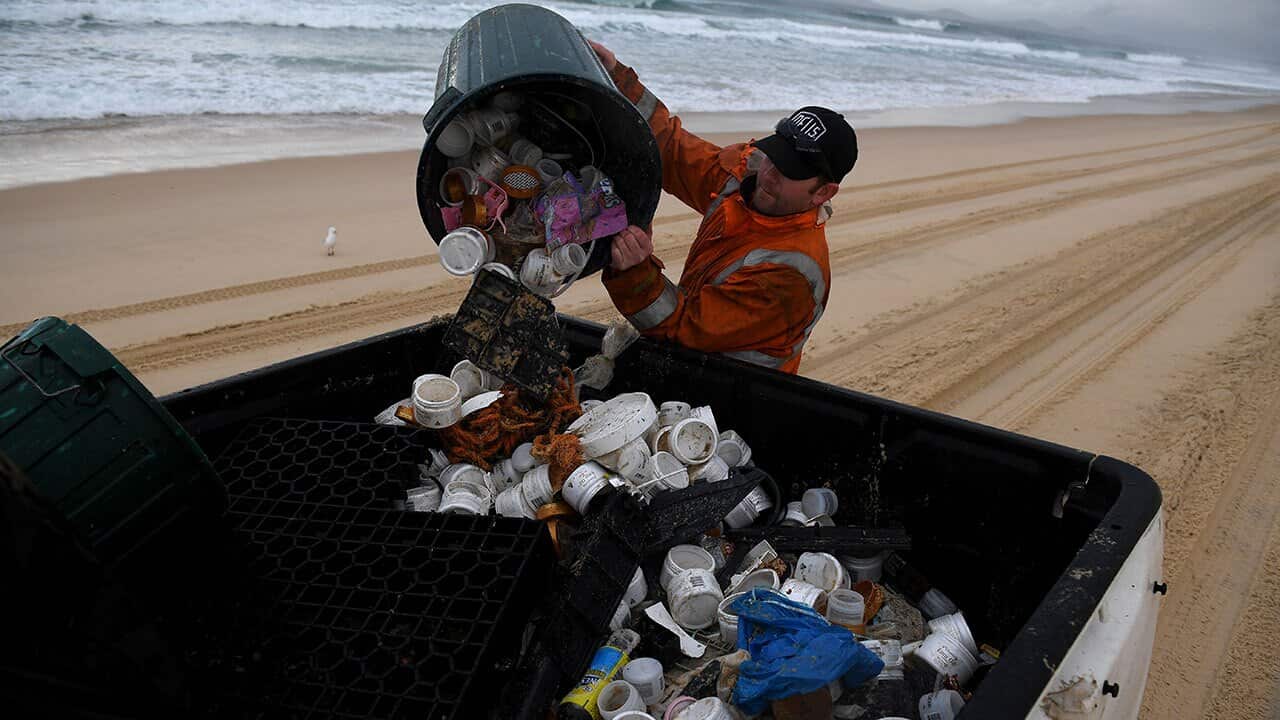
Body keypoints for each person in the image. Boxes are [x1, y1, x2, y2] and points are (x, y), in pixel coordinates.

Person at [591, 40, 858, 374]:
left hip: (730, 386)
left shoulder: (791, 274)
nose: (770, 174)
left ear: (823, 192)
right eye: (775, 155)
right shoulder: (746, 178)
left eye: (791, 170)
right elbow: (672, 150)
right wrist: (617, 78)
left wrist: (634, 273)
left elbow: (683, 326)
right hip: (689, 348)